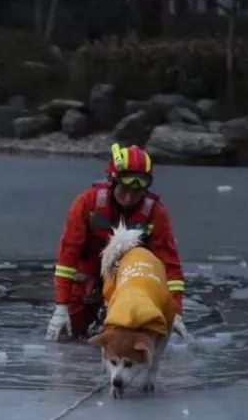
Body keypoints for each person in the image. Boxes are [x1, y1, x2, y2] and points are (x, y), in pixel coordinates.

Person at [46, 143, 188, 341]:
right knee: (67, 333)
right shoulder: (87, 203)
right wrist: (60, 307)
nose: (129, 198)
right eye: (124, 190)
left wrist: (176, 312)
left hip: (129, 279)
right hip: (87, 276)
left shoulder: (156, 213)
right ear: (112, 182)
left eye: (136, 192)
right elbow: (68, 255)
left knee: (128, 335)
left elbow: (170, 267)